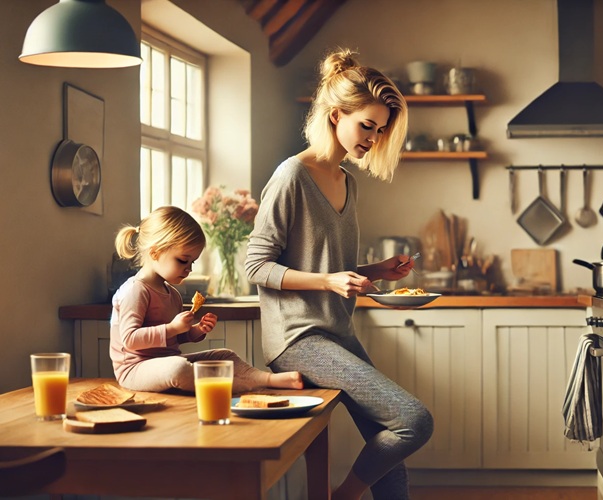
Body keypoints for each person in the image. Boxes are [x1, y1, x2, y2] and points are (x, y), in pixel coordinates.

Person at [245, 48, 433, 500]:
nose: (373, 137)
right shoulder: (292, 175)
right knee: (414, 420)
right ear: (335, 115)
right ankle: (340, 497)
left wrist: (376, 271)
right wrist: (329, 281)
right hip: (298, 340)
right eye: (366, 125)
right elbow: (256, 265)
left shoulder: (347, 181)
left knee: (393, 449)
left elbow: (332, 266)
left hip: (336, 332)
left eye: (381, 129)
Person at [110, 205, 303, 393]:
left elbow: (174, 339)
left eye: (192, 262)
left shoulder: (172, 294)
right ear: (155, 252)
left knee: (224, 356)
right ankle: (242, 386)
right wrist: (173, 327)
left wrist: (195, 331)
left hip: (167, 360)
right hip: (134, 369)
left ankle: (267, 379)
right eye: (183, 260)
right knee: (178, 369)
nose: (189, 269)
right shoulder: (135, 290)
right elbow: (130, 340)